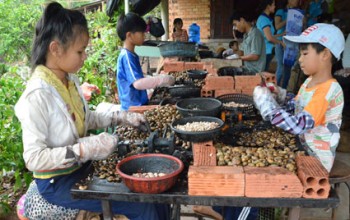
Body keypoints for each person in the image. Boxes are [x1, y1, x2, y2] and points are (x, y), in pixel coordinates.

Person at [14, 2, 169, 219]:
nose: (85, 56)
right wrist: (81, 150)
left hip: (81, 168)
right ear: (55, 49)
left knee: (157, 193)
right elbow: (34, 158)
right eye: (80, 51)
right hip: (57, 182)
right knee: (142, 205)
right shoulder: (37, 95)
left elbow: (86, 118)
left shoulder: (68, 80)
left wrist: (121, 117)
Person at [253, 23, 345, 172]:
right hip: (301, 146)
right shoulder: (309, 81)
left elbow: (299, 124)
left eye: (305, 54)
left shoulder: (328, 90)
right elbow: (296, 106)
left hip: (316, 159)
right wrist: (279, 95)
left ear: (325, 54)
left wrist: (268, 107)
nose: (300, 59)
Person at [116, 12, 175, 111]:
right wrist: (162, 80)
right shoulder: (126, 56)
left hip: (138, 104)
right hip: (132, 109)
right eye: (142, 33)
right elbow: (138, 84)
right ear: (129, 35)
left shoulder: (132, 54)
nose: (144, 36)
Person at [274, 0, 301, 88]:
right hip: (280, 42)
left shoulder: (298, 13)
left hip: (291, 43)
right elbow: (277, 26)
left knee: (288, 68)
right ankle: (275, 88)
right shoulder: (280, 12)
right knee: (281, 68)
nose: (297, 1)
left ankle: (284, 90)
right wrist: (289, 19)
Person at [257, 0, 284, 71]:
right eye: (273, 5)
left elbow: (268, 36)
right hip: (265, 51)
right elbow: (269, 38)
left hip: (266, 51)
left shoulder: (265, 18)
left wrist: (281, 34)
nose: (275, 7)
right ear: (268, 6)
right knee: (263, 73)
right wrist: (281, 43)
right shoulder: (264, 19)